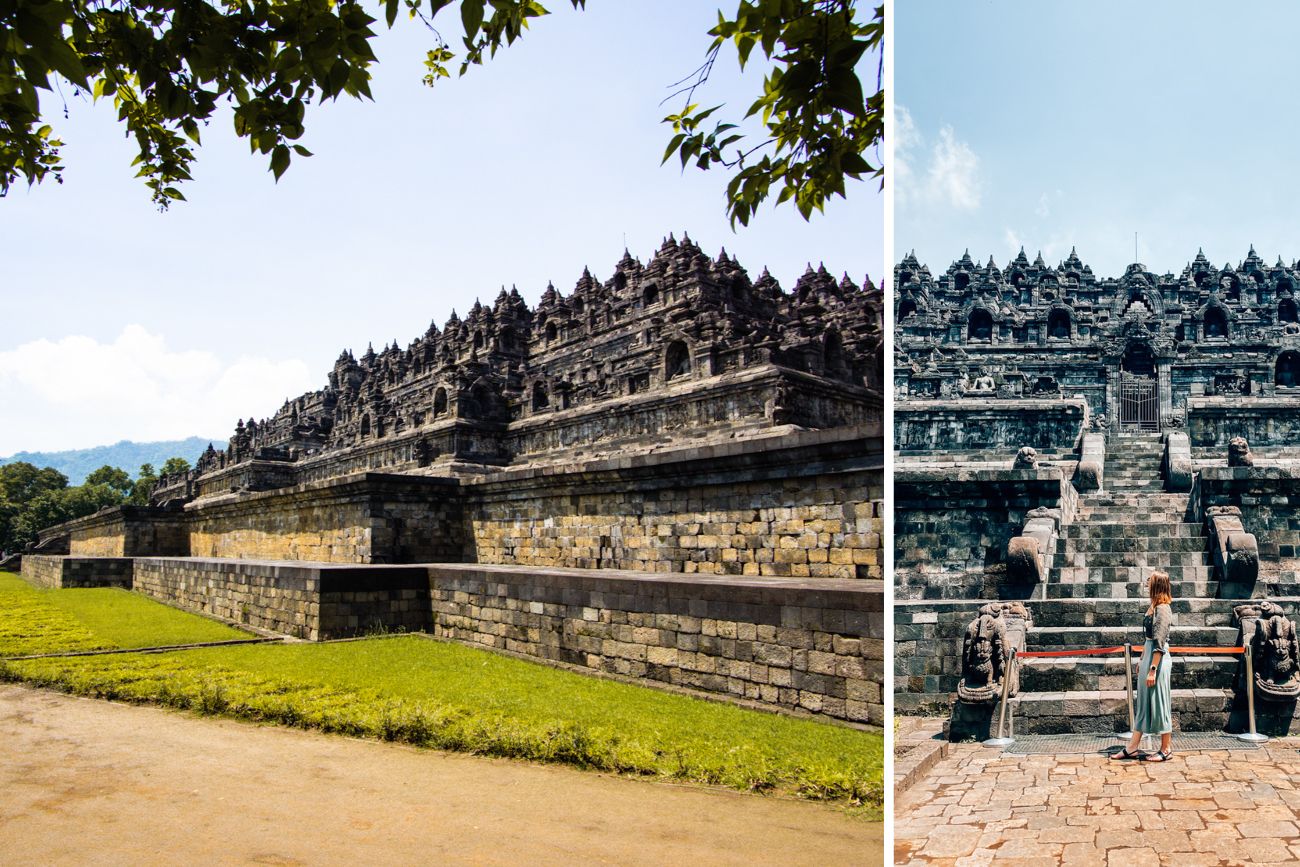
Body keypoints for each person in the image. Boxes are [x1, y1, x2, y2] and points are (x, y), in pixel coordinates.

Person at [1111, 570, 1174, 761]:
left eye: (1150, 580)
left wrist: (1153, 669)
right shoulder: (1153, 606)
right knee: (1145, 703)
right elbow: (1148, 639)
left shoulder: (1163, 608)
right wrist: (1141, 660)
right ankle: (1132, 747)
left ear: (1157, 585)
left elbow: (1159, 642)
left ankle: (1166, 749)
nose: (1146, 583)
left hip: (1158, 660)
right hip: (1149, 657)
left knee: (1160, 701)